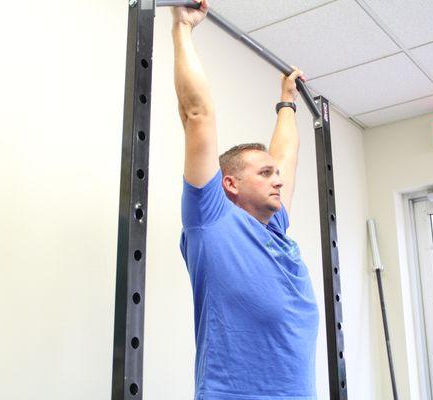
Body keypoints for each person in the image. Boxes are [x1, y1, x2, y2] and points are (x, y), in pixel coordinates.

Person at [172, 1, 319, 399]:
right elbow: (197, 115)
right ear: (230, 184)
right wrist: (183, 28)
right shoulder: (212, 220)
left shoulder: (275, 228)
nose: (278, 180)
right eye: (264, 173)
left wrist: (286, 101)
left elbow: (286, 153)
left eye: (276, 175)